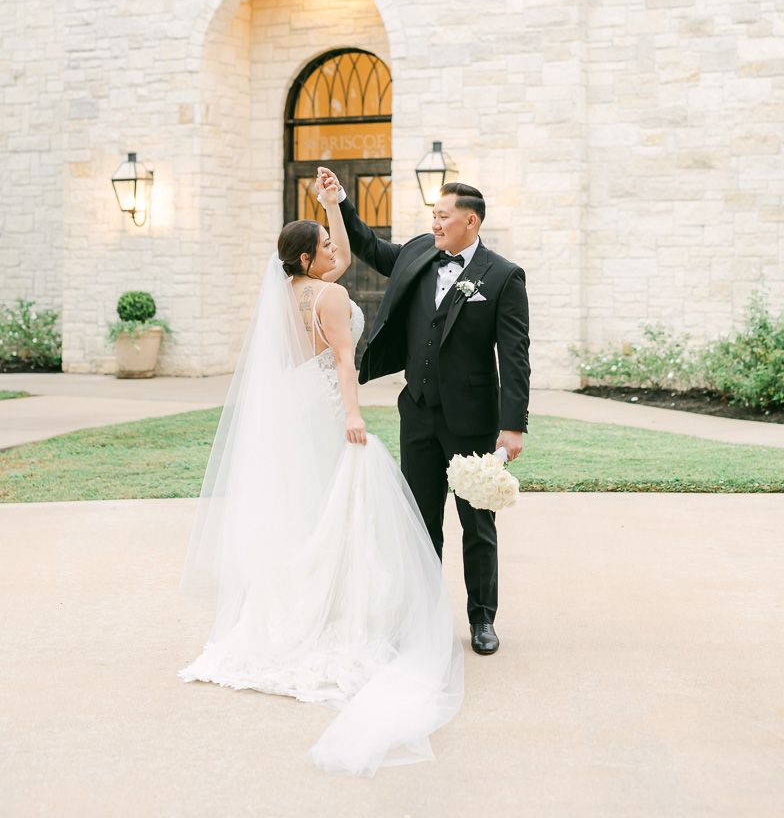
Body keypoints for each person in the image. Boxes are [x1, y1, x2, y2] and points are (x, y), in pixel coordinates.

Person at [178, 179, 463, 776]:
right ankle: (335, 612)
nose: (338, 256)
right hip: (330, 403)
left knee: (306, 502)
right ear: (309, 260)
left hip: (293, 404)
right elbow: (341, 359)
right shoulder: (330, 300)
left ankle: (290, 606)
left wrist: (333, 208)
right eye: (326, 250)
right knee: (344, 500)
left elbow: (341, 256)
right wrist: (354, 416)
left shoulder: (286, 292)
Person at [317, 168, 530, 656]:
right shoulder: (418, 250)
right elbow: (371, 248)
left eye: (442, 217)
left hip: (473, 418)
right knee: (419, 524)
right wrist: (340, 201)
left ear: (470, 222)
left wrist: (512, 426)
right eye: (433, 217)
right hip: (417, 412)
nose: (434, 224)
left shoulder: (502, 276)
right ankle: (424, 617)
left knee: (477, 524)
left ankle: (481, 621)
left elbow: (514, 356)